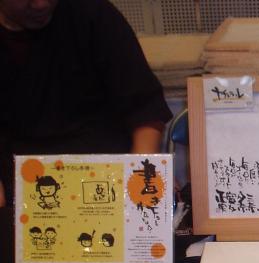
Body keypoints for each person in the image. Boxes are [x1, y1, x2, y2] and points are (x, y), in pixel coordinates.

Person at [0, 0, 173, 208]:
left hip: (106, 183)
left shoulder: (92, 13)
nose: (41, 4)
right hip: (20, 190)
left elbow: (146, 109)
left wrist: (140, 179)